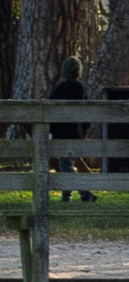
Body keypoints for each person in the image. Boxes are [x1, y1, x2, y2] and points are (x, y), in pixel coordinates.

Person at [49, 57, 96, 202]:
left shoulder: (59, 90)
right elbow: (88, 116)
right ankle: (66, 195)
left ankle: (85, 193)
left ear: (64, 74)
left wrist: (53, 130)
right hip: (78, 134)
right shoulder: (82, 90)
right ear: (78, 74)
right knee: (68, 164)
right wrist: (84, 131)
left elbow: (50, 112)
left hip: (62, 134)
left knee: (65, 165)